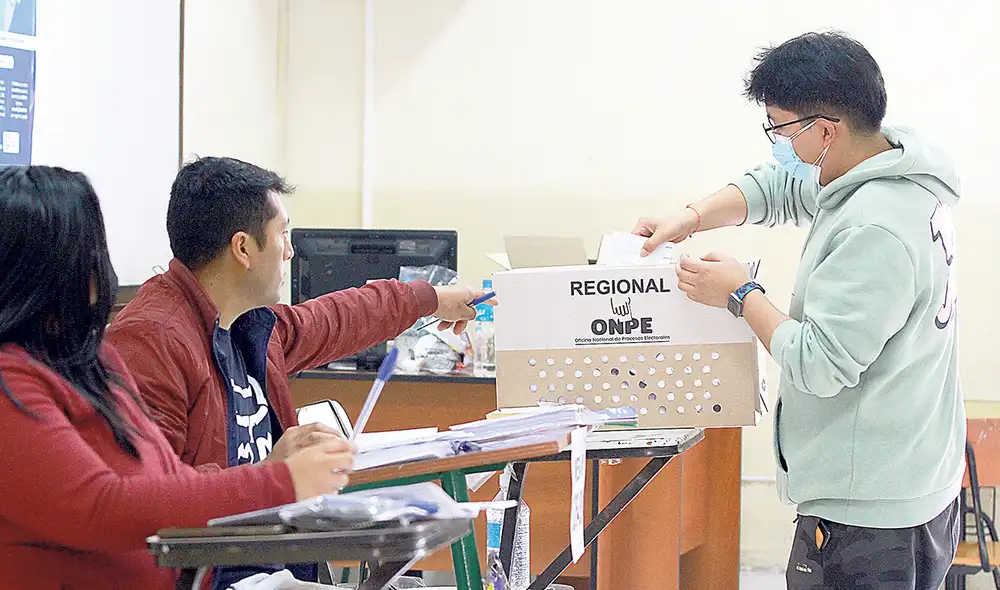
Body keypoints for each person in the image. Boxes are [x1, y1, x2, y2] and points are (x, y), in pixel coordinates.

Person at [634, 32, 963, 589]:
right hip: (908, 478)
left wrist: (741, 294)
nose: (777, 144)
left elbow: (819, 363)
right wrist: (690, 218)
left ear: (826, 131)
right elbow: (781, 186)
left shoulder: (875, 228)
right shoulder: (885, 172)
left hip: (869, 514)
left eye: (781, 130)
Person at [107, 156, 491, 586]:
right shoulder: (150, 342)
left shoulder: (248, 324)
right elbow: (149, 498)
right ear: (243, 248)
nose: (289, 251)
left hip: (272, 566)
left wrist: (431, 299)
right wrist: (270, 476)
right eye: (283, 234)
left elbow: (337, 317)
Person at [0, 165, 353, 590]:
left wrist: (274, 472)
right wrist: (279, 480)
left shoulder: (90, 361)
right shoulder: (12, 383)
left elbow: (167, 481)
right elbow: (100, 507)